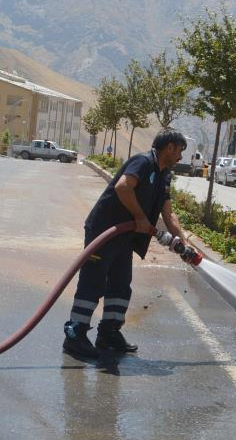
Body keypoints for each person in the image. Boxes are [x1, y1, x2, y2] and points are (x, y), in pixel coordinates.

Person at [63, 128, 192, 358]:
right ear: (169, 147)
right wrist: (140, 217)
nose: (180, 157)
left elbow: (168, 214)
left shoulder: (164, 175)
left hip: (125, 237)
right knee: (93, 282)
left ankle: (109, 333)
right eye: (179, 151)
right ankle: (75, 335)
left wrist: (184, 242)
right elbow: (123, 187)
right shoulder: (142, 162)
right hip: (104, 231)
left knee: (121, 285)